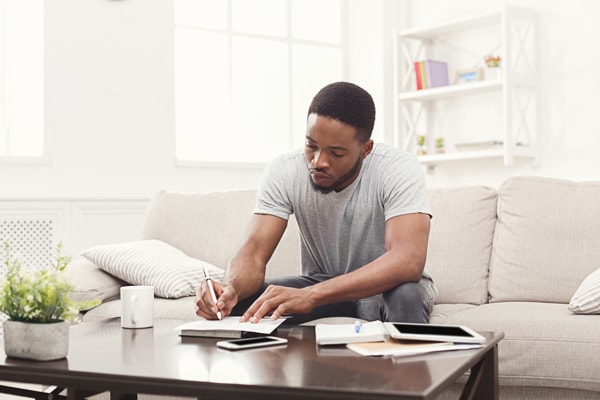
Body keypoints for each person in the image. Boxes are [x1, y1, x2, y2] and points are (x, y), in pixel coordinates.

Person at [196, 81, 436, 325]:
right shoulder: (285, 170)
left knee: (408, 296)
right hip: (321, 286)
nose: (318, 161)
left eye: (336, 153)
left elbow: (408, 260)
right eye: (311, 146)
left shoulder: (397, 168)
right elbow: (254, 252)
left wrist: (311, 295)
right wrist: (231, 289)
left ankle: (408, 364)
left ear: (366, 149)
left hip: (387, 287)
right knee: (243, 305)